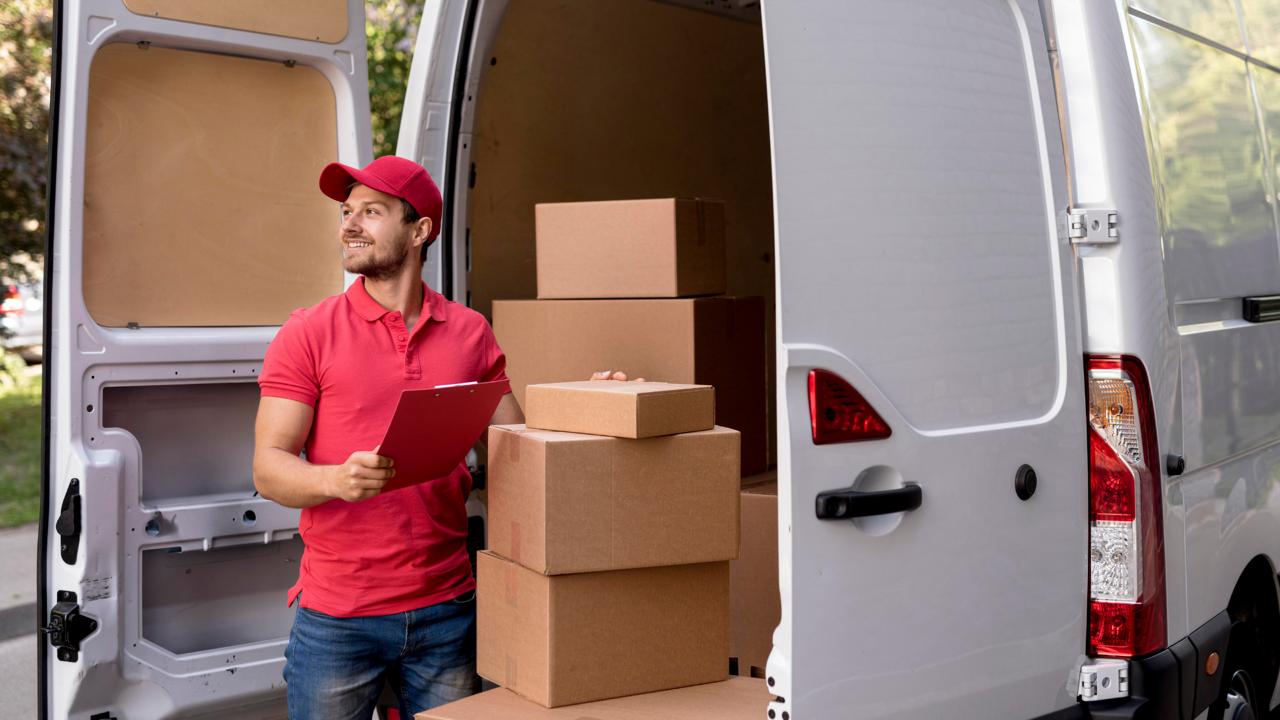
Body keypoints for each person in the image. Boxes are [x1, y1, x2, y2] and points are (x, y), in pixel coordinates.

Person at [252, 155, 523, 719]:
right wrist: (336, 479)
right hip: (338, 619)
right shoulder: (308, 333)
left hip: (448, 608)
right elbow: (268, 467)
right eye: (347, 212)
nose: (349, 224)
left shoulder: (469, 332)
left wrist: (595, 401)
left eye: (371, 212)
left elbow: (516, 448)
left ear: (420, 229)